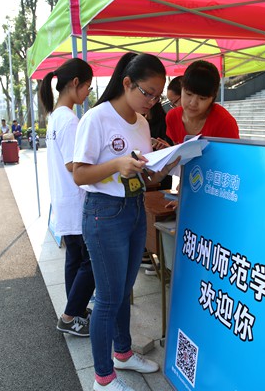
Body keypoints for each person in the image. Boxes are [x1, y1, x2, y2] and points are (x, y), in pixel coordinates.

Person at [73, 52, 180, 391]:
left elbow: (142, 177)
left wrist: (163, 167)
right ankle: (103, 380)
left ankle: (122, 352)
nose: (152, 101)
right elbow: (79, 174)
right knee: (107, 298)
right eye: (147, 92)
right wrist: (117, 164)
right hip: (104, 212)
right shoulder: (97, 118)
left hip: (134, 208)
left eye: (157, 96)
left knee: (123, 291)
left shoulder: (143, 123)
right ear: (127, 83)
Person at [38, 58, 96, 337]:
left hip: (64, 199)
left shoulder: (55, 117)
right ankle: (69, 316)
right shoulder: (69, 120)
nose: (87, 93)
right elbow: (75, 166)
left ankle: (77, 310)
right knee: (91, 262)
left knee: (75, 258)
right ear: (75, 83)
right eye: (88, 87)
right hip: (75, 201)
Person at [165, 60, 239, 145]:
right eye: (188, 94)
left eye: (202, 98)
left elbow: (232, 153)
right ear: (181, 88)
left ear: (212, 98)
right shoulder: (172, 117)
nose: (193, 103)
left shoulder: (225, 123)